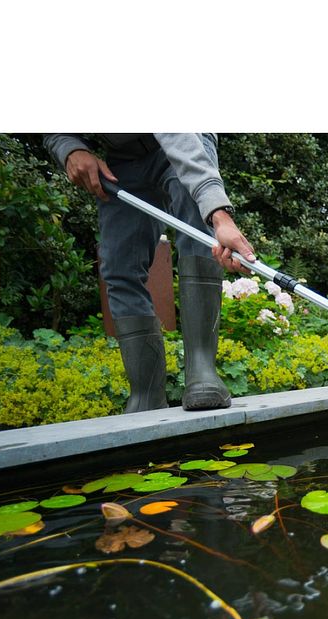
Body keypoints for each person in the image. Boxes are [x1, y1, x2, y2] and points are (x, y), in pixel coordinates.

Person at [43, 133, 255, 413]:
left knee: (197, 233)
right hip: (122, 161)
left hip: (185, 140)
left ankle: (202, 373)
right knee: (118, 265)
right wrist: (70, 148)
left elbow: (178, 134)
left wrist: (218, 214)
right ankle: (146, 393)